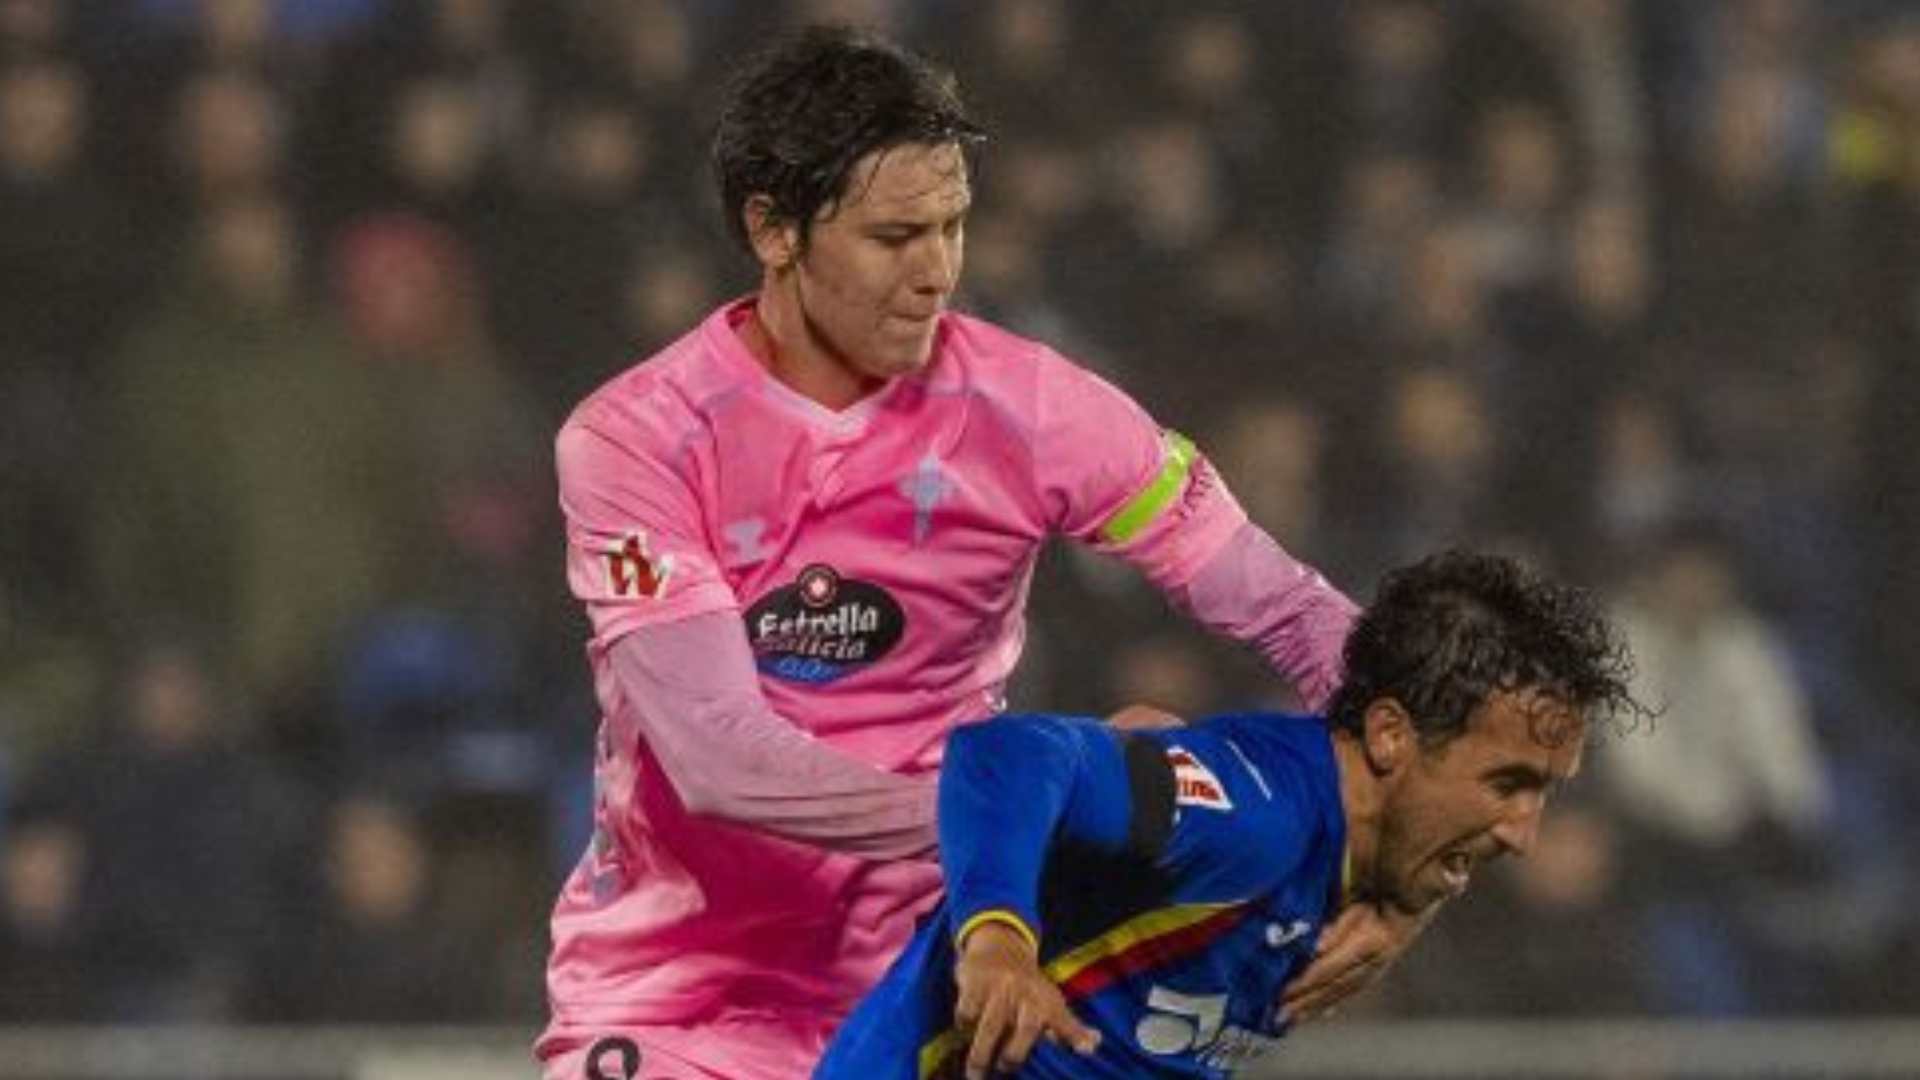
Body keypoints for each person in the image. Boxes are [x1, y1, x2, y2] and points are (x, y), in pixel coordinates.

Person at [540, 26, 1386, 1080]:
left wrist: (1382, 871)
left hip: (944, 990)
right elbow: (717, 754)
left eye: (954, 227)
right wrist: (1013, 824)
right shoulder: (639, 438)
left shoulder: (1035, 408)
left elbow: (1295, 614)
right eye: (896, 237)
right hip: (686, 1000)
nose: (937, 272)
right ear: (774, 230)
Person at [817, 550, 1644, 1079]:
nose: (1525, 836)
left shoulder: (1359, 858)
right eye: (1507, 784)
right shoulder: (1257, 814)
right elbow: (1009, 755)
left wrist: (1402, 906)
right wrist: (996, 940)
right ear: (1391, 735)